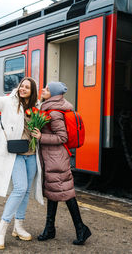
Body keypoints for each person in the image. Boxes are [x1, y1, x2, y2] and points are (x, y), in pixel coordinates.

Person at [0, 72, 43, 250]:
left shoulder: (37, 107)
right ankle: (1, 229)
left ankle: (18, 226)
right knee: (20, 188)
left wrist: (40, 135)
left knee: (26, 191)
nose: (23, 88)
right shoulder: (9, 102)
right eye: (22, 85)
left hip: (31, 153)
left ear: (32, 91)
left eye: (27, 87)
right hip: (15, 153)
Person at [31, 82, 91, 245]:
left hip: (56, 158)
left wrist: (41, 137)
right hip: (52, 157)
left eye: (47, 89)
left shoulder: (55, 112)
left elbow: (62, 137)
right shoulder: (48, 107)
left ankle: (81, 228)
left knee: (65, 192)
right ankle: (50, 228)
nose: (43, 90)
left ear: (54, 94)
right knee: (54, 190)